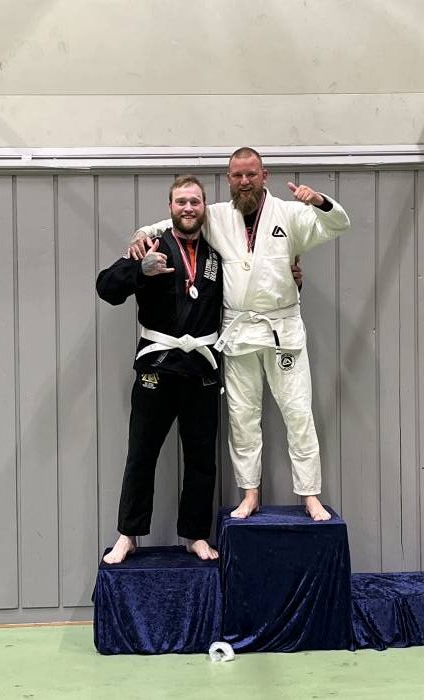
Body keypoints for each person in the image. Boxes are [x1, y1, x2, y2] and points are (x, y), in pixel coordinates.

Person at [130, 148, 351, 522]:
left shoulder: (290, 214)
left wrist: (318, 202)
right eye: (237, 175)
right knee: (242, 417)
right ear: (229, 179)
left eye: (251, 174)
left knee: (298, 413)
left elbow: (337, 225)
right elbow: (173, 222)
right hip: (238, 332)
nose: (244, 181)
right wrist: (141, 233)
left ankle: (310, 495)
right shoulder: (216, 215)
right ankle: (250, 494)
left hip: (282, 330)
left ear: (265, 175)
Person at [97, 175, 223, 563]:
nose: (188, 208)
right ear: (170, 207)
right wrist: (140, 270)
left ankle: (195, 535)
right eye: (181, 201)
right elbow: (106, 287)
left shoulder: (218, 254)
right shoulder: (150, 245)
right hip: (157, 366)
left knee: (202, 458)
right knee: (142, 453)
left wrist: (293, 281)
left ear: (204, 207)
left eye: (195, 201)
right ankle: (128, 534)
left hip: (201, 368)